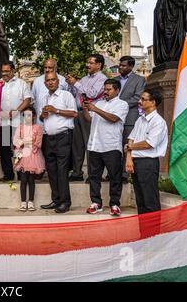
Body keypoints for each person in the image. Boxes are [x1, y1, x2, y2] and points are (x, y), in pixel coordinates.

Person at [82, 79, 129, 216]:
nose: (106, 92)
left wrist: (95, 109)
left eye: (109, 90)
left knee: (115, 176)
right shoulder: (99, 103)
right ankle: (96, 203)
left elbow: (114, 118)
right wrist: (86, 109)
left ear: (117, 90)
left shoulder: (122, 104)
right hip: (95, 145)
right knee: (94, 176)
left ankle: (115, 204)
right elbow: (89, 119)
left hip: (111, 145)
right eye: (105, 89)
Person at [40, 72, 78, 213]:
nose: (50, 82)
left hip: (63, 136)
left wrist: (55, 110)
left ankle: (65, 202)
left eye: (53, 80)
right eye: (48, 80)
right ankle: (56, 201)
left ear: (58, 81)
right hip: (48, 138)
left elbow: (74, 113)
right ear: (45, 83)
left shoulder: (65, 95)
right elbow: (42, 116)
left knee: (62, 171)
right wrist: (42, 115)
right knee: (51, 171)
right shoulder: (45, 97)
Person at [125, 88, 168, 214]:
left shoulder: (158, 122)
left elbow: (149, 144)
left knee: (150, 201)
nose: (139, 101)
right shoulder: (140, 120)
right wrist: (129, 158)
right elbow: (130, 139)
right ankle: (144, 232)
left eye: (143, 99)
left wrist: (130, 148)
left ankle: (154, 233)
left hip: (148, 163)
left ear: (153, 102)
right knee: (141, 201)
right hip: (136, 162)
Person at [66, 53, 107, 182]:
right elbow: (75, 94)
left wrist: (76, 84)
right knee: (77, 145)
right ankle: (77, 172)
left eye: (90, 63)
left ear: (99, 65)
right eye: (87, 62)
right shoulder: (84, 79)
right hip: (77, 113)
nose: (87, 65)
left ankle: (93, 174)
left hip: (90, 114)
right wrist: (71, 85)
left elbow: (92, 94)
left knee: (90, 144)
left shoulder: (102, 79)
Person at [114, 56, 146, 183]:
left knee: (126, 146)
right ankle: (113, 173)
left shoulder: (139, 80)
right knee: (114, 147)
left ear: (131, 66)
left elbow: (137, 98)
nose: (120, 67)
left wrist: (118, 105)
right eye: (120, 65)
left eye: (123, 65)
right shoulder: (114, 79)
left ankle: (124, 174)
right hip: (113, 119)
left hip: (129, 118)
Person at [0, 61, 32, 182]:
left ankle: (20, 172)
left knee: (19, 149)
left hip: (17, 122)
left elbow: (27, 100)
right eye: (3, 71)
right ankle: (8, 175)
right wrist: (0, 111)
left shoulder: (21, 83)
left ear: (13, 71)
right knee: (5, 149)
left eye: (7, 71)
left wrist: (16, 111)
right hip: (3, 123)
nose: (4, 74)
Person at [153, 0, 187, 65]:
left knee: (180, 41)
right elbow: (158, 10)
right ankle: (169, 59)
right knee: (168, 43)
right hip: (167, 24)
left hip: (179, 24)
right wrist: (161, 24)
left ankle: (179, 58)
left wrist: (183, 5)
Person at [13, 107, 45, 211]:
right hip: (22, 155)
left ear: (34, 116)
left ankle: (31, 201)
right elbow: (15, 141)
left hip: (33, 156)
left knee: (31, 180)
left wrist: (25, 142)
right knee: (23, 179)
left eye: (30, 115)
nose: (27, 118)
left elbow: (38, 143)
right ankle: (23, 202)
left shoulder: (38, 128)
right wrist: (25, 142)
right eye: (25, 115)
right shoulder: (20, 128)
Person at [32, 58, 68, 128]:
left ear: (55, 68)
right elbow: (33, 100)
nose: (47, 70)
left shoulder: (63, 80)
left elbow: (67, 100)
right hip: (41, 122)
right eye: (45, 67)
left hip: (58, 122)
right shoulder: (37, 81)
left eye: (50, 67)